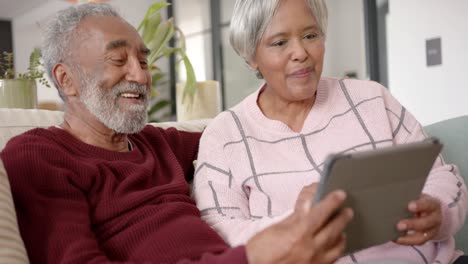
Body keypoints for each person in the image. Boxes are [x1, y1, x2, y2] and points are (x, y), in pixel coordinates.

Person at [0, 3, 355, 264]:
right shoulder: (37, 155)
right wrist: (253, 257)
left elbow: (245, 130)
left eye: (143, 60)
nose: (140, 76)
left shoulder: (157, 143)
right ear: (66, 79)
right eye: (119, 61)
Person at [192, 0, 468, 263]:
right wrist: (297, 222)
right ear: (252, 56)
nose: (301, 52)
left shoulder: (371, 98)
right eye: (280, 42)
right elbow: (218, 232)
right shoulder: (224, 135)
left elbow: (442, 175)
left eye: (311, 36)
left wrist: (438, 209)